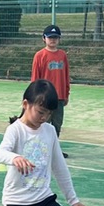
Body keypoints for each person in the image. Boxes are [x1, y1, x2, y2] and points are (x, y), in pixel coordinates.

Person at [31, 24, 70, 158]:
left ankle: (54, 150)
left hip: (59, 97)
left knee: (57, 124)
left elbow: (66, 75)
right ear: (44, 38)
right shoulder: (39, 56)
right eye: (50, 37)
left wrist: (66, 93)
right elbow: (35, 78)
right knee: (43, 123)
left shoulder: (62, 55)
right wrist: (36, 96)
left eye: (55, 38)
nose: (53, 40)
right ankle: (41, 149)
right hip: (45, 97)